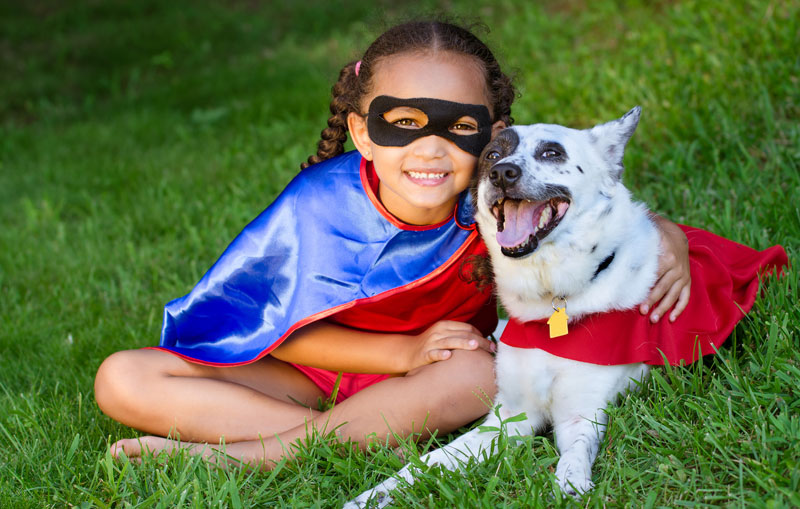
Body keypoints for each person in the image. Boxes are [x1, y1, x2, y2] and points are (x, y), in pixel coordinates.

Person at [94, 20, 692, 467]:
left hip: (442, 374)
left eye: (459, 128)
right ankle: (322, 438)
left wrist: (669, 237)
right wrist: (400, 356)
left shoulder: (495, 196)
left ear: (495, 134)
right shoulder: (319, 205)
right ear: (362, 132)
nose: (430, 151)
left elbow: (600, 216)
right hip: (311, 373)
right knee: (121, 378)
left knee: (482, 379)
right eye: (403, 124)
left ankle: (261, 452)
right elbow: (277, 326)